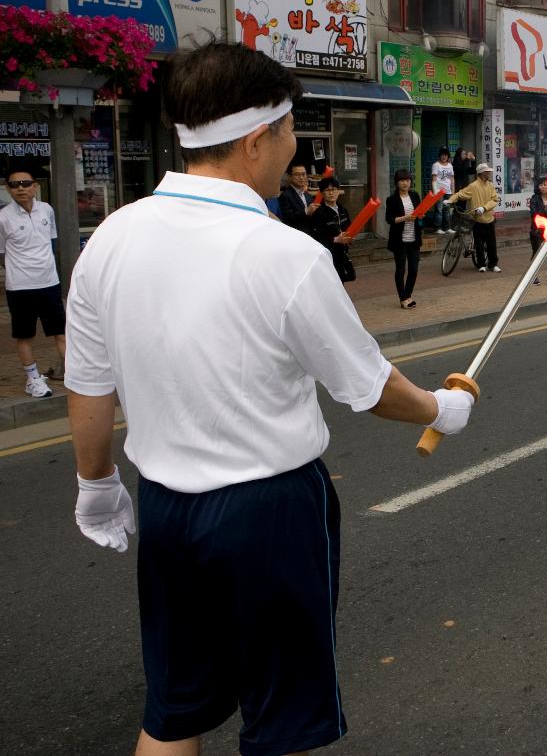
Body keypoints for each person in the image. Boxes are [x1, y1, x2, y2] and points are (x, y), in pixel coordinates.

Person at [63, 42, 475, 756]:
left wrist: (95, 482)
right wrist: (441, 407)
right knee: (285, 721)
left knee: (172, 712)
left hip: (165, 506)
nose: (296, 149)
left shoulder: (112, 238)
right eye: (290, 132)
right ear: (257, 139)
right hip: (268, 511)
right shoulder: (281, 251)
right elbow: (369, 386)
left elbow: (88, 384)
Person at [0, 168, 66, 398]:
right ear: (8, 188)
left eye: (25, 183)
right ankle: (33, 379)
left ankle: (75, 374)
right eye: (14, 184)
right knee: (24, 335)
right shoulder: (3, 217)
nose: (20, 188)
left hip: (49, 283)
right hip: (20, 287)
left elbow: (51, 242)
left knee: (61, 331)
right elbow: (1, 253)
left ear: (35, 186)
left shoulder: (46, 209)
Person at [449, 162, 501, 273]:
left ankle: (493, 264)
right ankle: (481, 264)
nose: (489, 173)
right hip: (478, 220)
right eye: (487, 172)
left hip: (489, 218)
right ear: (482, 173)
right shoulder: (473, 186)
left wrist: (484, 208)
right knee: (479, 244)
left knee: (492, 243)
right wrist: (450, 200)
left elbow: (495, 200)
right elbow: (460, 194)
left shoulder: (490, 185)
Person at [385, 169, 423, 309]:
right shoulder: (392, 199)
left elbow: (419, 212)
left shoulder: (415, 196)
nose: (405, 183)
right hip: (399, 240)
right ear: (397, 183)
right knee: (400, 270)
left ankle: (408, 295)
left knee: (414, 269)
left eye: (407, 180)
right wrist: (405, 218)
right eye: (402, 180)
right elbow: (389, 219)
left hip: (414, 238)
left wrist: (420, 215)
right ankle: (403, 298)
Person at [309, 177, 355, 283]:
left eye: (334, 189)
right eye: (327, 190)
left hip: (342, 254)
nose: (331, 193)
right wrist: (335, 239)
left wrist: (350, 238)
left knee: (341, 283)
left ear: (338, 191)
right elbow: (315, 237)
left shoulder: (343, 210)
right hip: (328, 256)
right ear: (321, 193)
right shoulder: (319, 213)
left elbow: (349, 228)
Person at [277, 162, 317, 231]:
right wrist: (306, 211)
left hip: (311, 233)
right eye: (297, 174)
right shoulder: (285, 196)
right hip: (296, 233)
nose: (301, 178)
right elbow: (287, 219)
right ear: (290, 176)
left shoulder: (308, 195)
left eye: (303, 174)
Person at [430, 147, 455, 234]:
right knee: (439, 209)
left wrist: (453, 191)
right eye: (442, 155)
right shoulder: (436, 165)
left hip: (448, 191)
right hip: (439, 191)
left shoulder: (450, 165)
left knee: (447, 210)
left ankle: (447, 227)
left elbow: (452, 179)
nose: (444, 157)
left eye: (446, 155)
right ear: (440, 156)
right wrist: (435, 191)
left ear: (448, 156)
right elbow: (433, 179)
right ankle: (437, 228)